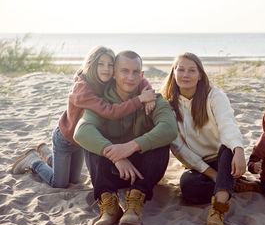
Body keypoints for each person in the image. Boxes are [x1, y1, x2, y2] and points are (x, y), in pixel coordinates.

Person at [10, 45, 156, 188]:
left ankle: (48, 155)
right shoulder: (82, 89)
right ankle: (34, 161)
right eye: (101, 64)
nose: (106, 68)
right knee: (59, 183)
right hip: (65, 139)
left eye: (110, 65)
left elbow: (137, 77)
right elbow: (110, 111)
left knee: (74, 180)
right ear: (92, 65)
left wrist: (148, 92)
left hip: (82, 142)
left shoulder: (107, 79)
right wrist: (139, 100)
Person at [73, 50, 177, 225]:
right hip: (112, 170)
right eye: (124, 71)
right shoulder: (102, 103)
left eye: (135, 72)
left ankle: (135, 203)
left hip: (143, 173)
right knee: (93, 142)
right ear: (114, 74)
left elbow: (170, 129)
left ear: (142, 75)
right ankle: (109, 206)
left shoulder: (153, 100)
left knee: (160, 141)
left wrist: (131, 147)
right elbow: (81, 131)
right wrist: (116, 155)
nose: (130, 77)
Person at [161, 52, 253, 225]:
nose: (186, 75)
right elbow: (178, 148)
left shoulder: (214, 96)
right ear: (173, 72)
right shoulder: (167, 103)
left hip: (224, 157)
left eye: (191, 70)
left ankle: (218, 209)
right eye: (181, 70)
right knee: (188, 187)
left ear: (200, 74)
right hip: (199, 164)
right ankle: (230, 183)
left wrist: (239, 150)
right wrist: (211, 174)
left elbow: (228, 126)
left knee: (228, 146)